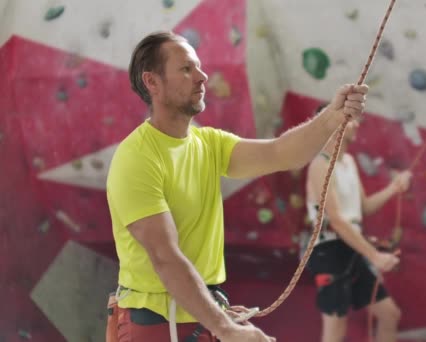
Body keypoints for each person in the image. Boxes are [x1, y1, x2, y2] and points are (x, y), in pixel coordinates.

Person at [105, 31, 369, 342]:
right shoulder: (137, 158)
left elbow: (280, 153)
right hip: (157, 325)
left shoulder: (208, 143)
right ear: (152, 82)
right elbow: (165, 257)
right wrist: (226, 328)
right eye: (187, 69)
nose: (202, 77)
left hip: (200, 314)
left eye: (199, 67)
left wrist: (330, 119)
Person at [305, 104, 412, 342]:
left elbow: (362, 208)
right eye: (350, 119)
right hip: (330, 252)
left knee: (389, 314)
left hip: (352, 246)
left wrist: (394, 188)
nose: (356, 124)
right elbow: (338, 222)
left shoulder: (349, 162)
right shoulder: (320, 166)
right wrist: (374, 256)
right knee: (335, 328)